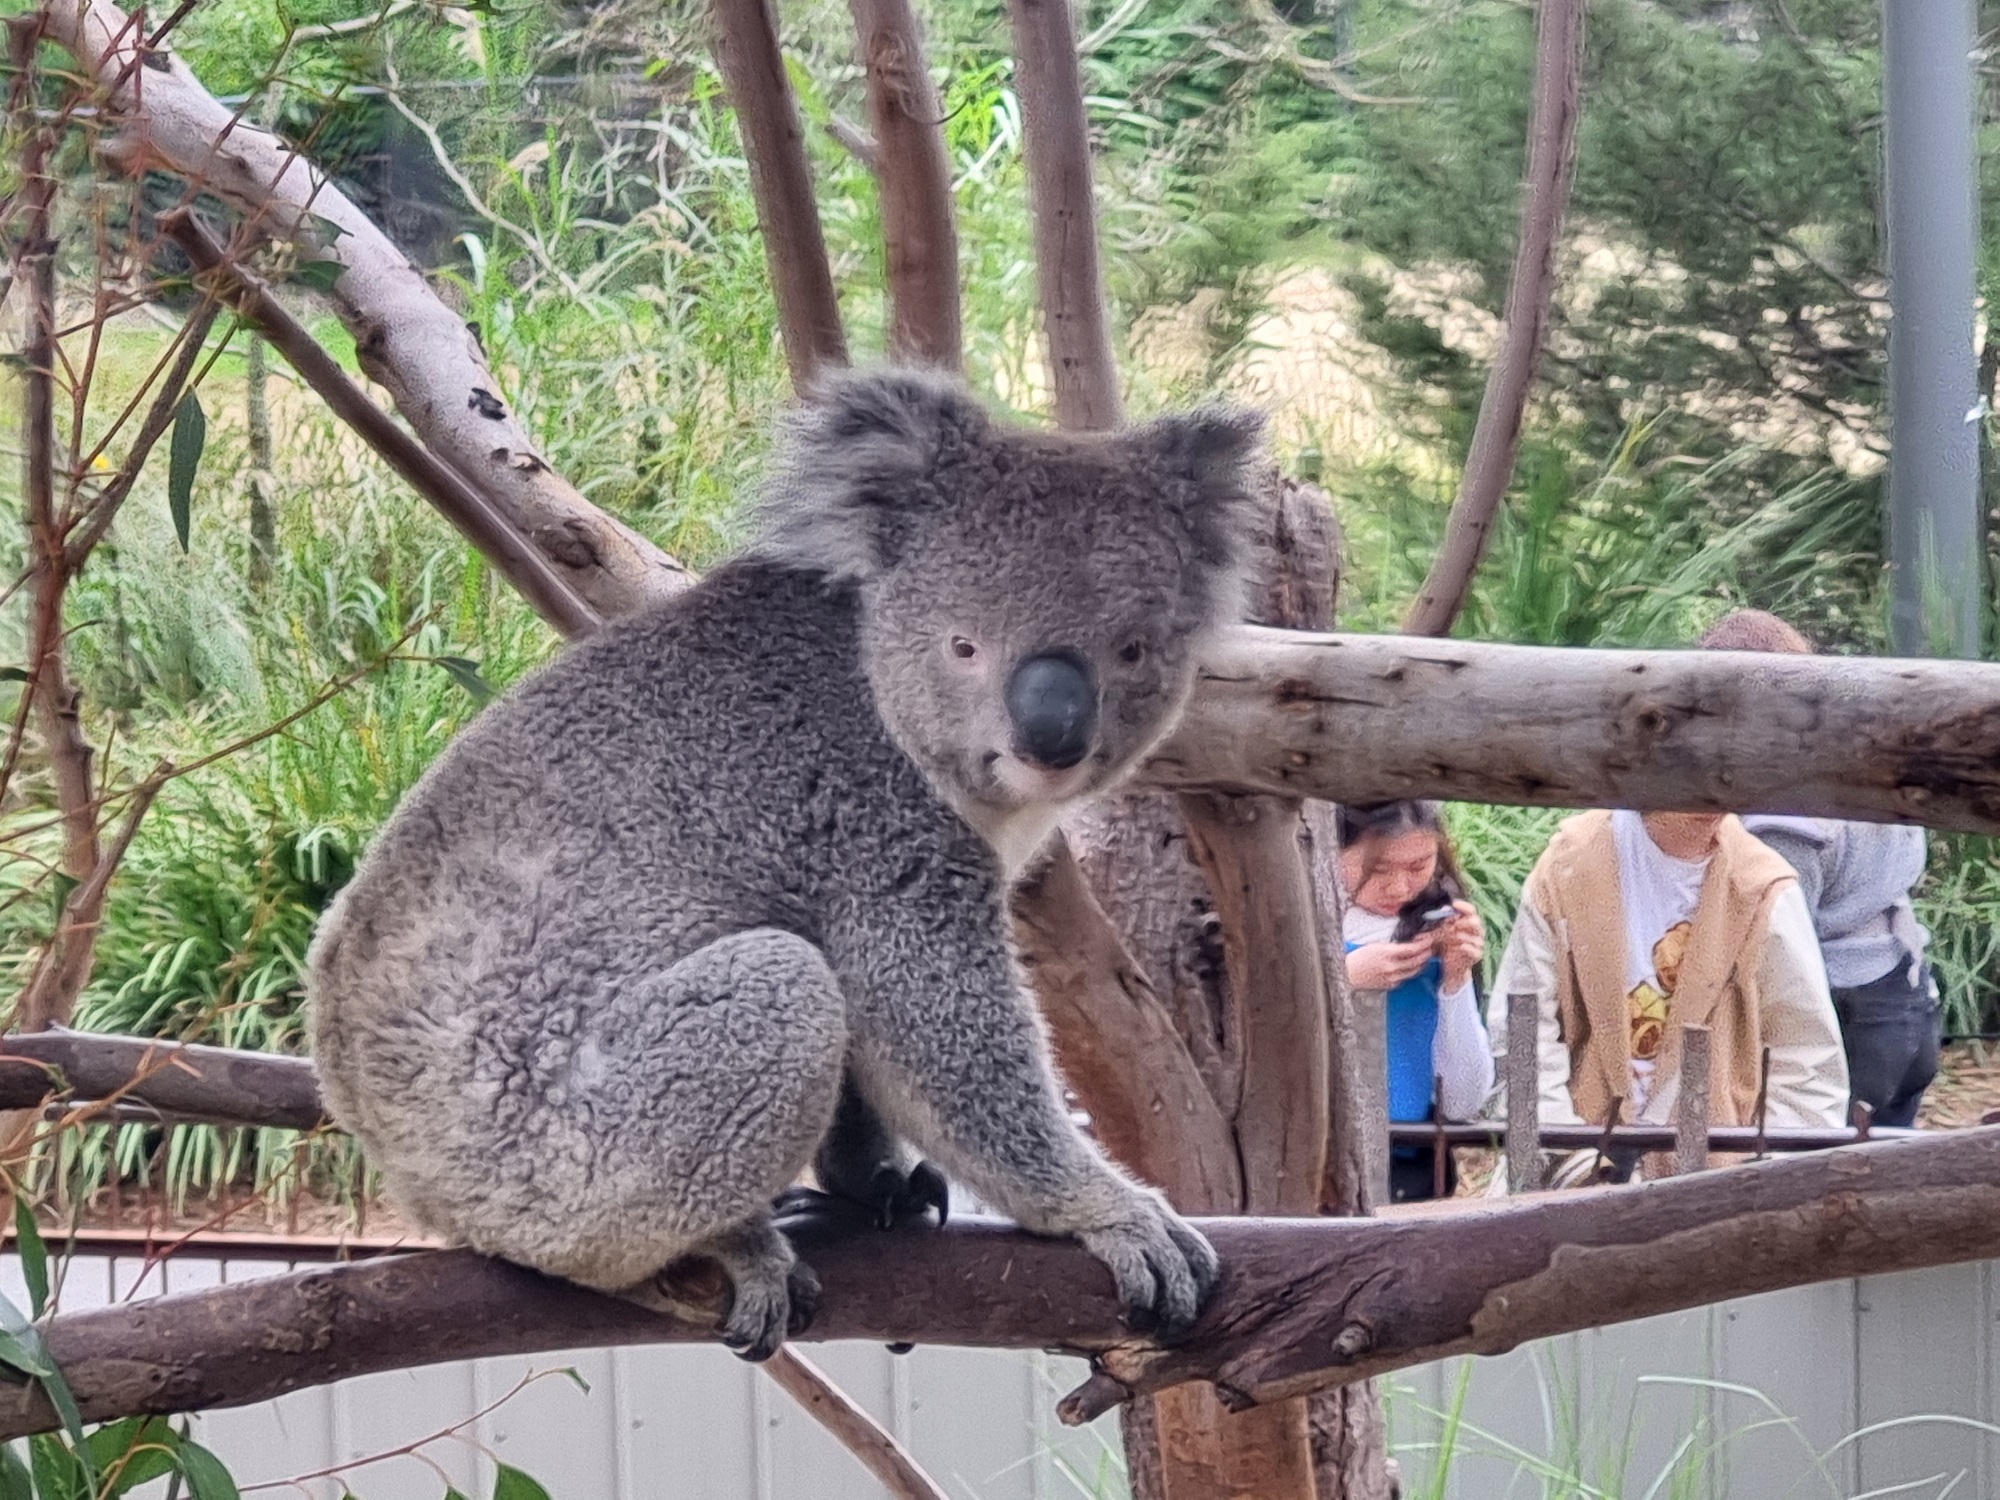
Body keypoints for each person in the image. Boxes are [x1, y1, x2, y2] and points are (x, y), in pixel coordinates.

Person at [1487, 800, 1849, 1180]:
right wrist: (1565, 1155)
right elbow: (1524, 1028)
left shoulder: (1761, 888)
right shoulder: (1571, 864)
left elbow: (1806, 1060)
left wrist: (1765, 1179)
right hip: (1576, 1172)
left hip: (1714, 1183)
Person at [1699, 608, 1940, 1127]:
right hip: (1906, 993)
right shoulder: (1869, 755)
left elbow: (1782, 941)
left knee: (1824, 1188)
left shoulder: (1784, 815)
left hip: (1849, 1015)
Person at [1336, 801, 1492, 1201]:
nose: (1400, 888)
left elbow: (1462, 1101)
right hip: (1321, 1153)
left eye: (1419, 866)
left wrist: (1456, 979)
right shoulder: (1301, 922)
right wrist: (1343, 980)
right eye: (1380, 870)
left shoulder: (1441, 928)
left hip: (1411, 1163)